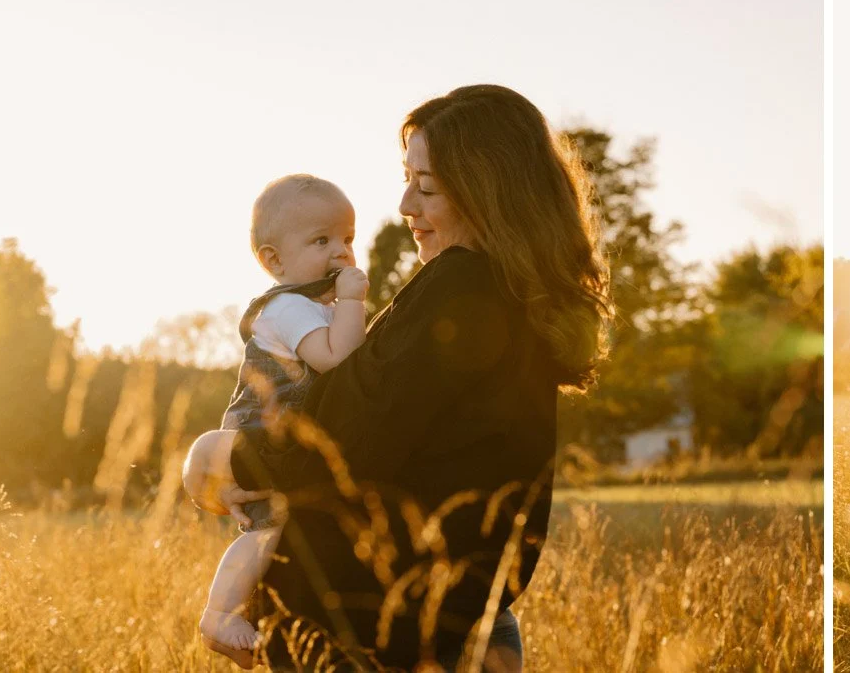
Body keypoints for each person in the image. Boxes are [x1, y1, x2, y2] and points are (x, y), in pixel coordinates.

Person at [193, 84, 611, 672]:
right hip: (428, 624)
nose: (405, 205)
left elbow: (346, 436)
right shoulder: (513, 298)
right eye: (407, 178)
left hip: (372, 638)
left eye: (428, 186)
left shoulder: (462, 286)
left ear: (485, 194)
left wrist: (226, 460)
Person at [181, 174, 369, 667]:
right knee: (268, 533)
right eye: (322, 240)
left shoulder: (315, 309)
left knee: (284, 542)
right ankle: (220, 612)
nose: (341, 252)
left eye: (348, 239)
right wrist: (353, 302)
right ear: (273, 260)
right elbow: (337, 361)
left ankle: (258, 615)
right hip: (265, 436)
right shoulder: (287, 308)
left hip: (289, 442)